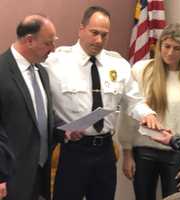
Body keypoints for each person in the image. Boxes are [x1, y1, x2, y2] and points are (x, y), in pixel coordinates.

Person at [44, 5, 161, 200]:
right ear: (81, 29)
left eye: (104, 35)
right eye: (94, 33)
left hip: (105, 151)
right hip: (72, 150)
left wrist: (147, 114)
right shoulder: (55, 63)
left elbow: (134, 101)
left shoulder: (118, 65)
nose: (99, 40)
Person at [118, 23, 180, 200]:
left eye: (177, 48)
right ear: (159, 45)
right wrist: (127, 152)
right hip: (144, 151)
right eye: (167, 46)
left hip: (178, 155)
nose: (170, 53)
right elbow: (128, 112)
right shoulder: (141, 70)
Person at [0, 14, 58, 200]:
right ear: (30, 41)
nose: (53, 49)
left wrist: (64, 132)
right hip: (10, 178)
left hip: (39, 174)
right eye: (49, 43)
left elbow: (40, 119)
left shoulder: (42, 73)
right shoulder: (1, 70)